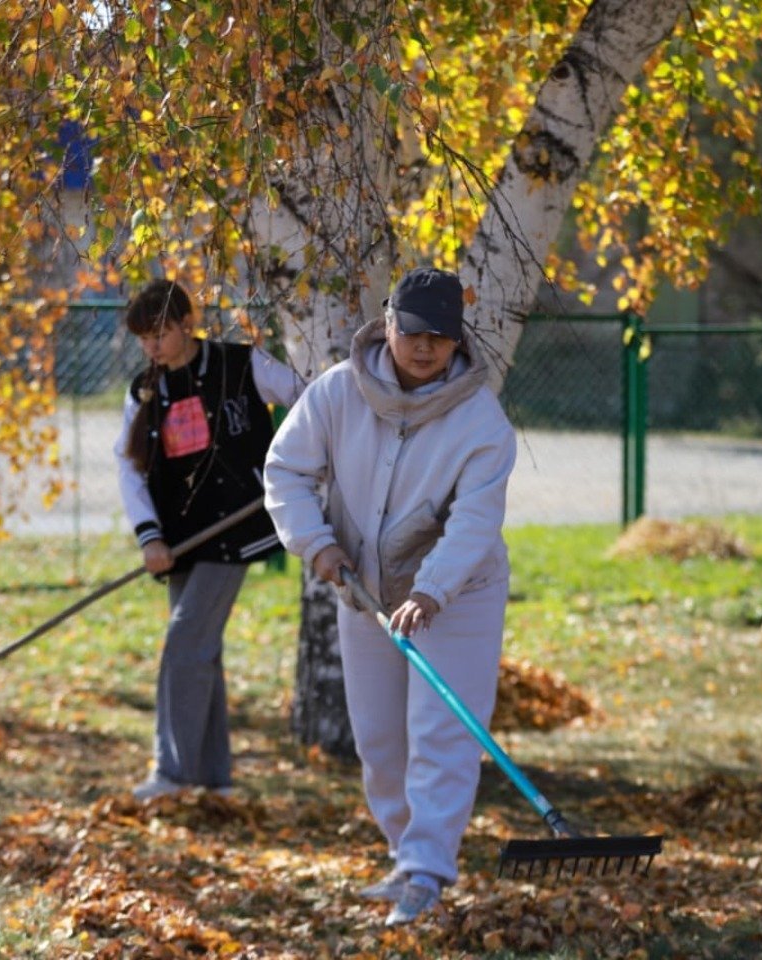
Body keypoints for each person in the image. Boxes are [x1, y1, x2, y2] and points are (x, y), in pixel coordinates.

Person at [262, 266, 516, 926]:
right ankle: (406, 854)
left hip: (456, 595)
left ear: (457, 340)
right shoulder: (338, 392)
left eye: (440, 336)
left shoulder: (481, 422)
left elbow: (474, 522)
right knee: (379, 741)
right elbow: (285, 470)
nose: (425, 347)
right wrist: (316, 544)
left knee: (441, 733)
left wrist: (433, 590)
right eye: (413, 332)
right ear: (387, 323)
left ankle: (428, 869)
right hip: (365, 591)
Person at [114, 278, 305, 800]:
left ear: (185, 325)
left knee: (184, 643)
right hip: (180, 540)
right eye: (143, 337)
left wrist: (294, 472)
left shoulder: (240, 365)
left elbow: (308, 401)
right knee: (201, 651)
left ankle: (173, 773)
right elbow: (128, 469)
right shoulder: (145, 389)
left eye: (160, 333)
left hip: (235, 530)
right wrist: (149, 536)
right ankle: (214, 777)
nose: (152, 346)